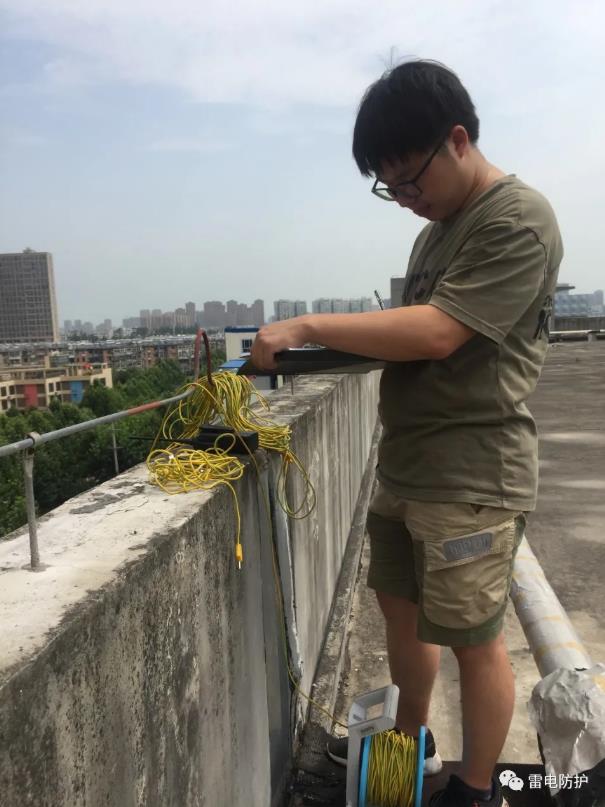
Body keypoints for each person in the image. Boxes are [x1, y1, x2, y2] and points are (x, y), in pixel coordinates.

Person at [250, 59, 562, 807]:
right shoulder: (435, 233)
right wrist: (306, 356)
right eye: (389, 188)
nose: (405, 200)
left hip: (471, 475)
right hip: (408, 464)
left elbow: (437, 332)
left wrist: (308, 324)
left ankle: (474, 790)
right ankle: (407, 751)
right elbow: (401, 334)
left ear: (457, 140)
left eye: (410, 180)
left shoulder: (516, 219)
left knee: (473, 639)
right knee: (401, 614)